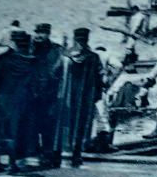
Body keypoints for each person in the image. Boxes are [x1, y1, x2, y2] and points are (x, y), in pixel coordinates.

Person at [0, 28, 36, 170]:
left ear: (13, 43)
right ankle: (13, 163)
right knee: (17, 130)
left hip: (3, 98)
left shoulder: (4, 60)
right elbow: (36, 82)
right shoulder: (32, 61)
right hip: (22, 99)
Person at [56, 27, 104, 167]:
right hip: (85, 96)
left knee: (64, 124)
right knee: (81, 125)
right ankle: (76, 154)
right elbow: (100, 77)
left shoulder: (65, 56)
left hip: (67, 96)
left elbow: (55, 73)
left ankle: (60, 154)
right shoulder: (93, 57)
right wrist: (97, 94)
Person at [30, 23, 65, 167]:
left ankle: (50, 155)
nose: (39, 35)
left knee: (50, 126)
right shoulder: (30, 48)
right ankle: (37, 154)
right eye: (37, 32)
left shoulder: (57, 50)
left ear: (48, 34)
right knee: (33, 125)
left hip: (51, 94)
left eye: (42, 32)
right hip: (33, 94)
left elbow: (62, 71)